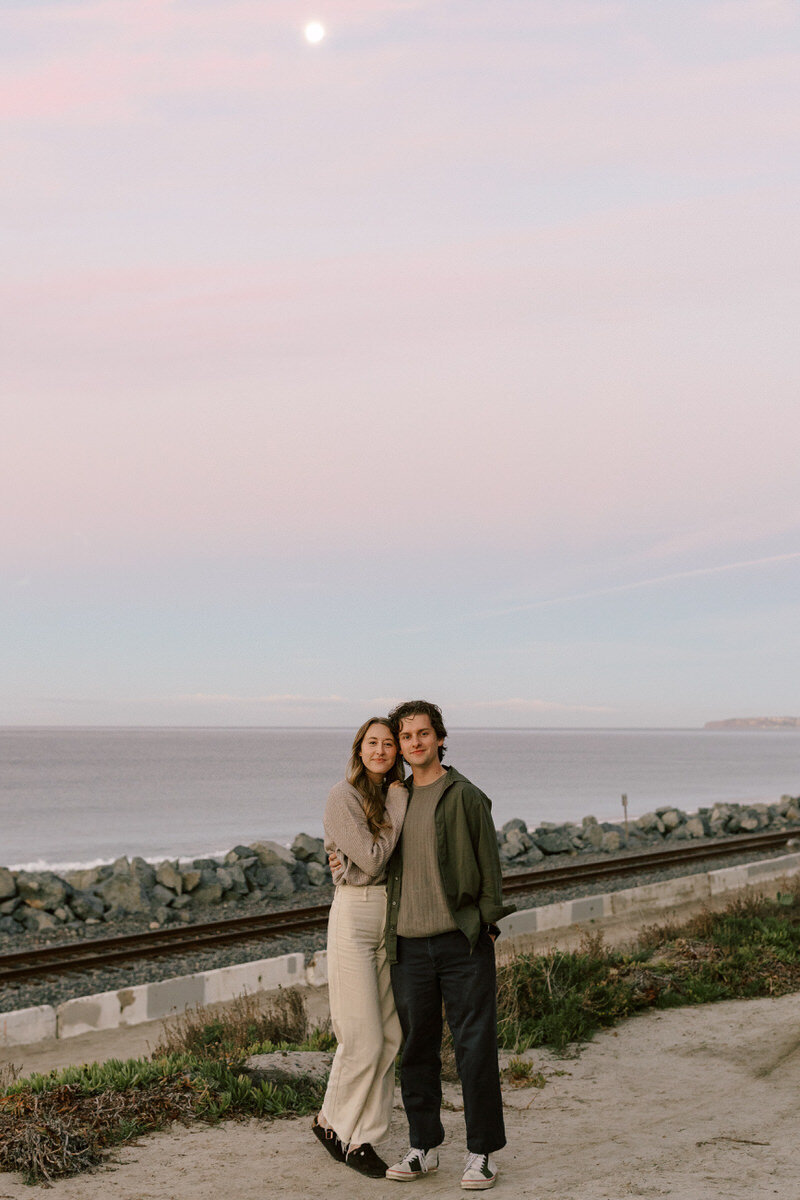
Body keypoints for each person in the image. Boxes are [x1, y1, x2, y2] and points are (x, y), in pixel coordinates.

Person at [382, 700, 514, 1191]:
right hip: (408, 948)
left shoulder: (466, 796)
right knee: (416, 1049)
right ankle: (423, 1148)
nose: (414, 742)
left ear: (439, 738)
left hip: (462, 944)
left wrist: (484, 926)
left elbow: (490, 873)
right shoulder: (394, 798)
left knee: (473, 1047)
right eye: (406, 735)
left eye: (423, 733)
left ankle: (481, 1153)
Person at [312, 717, 409, 1179]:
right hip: (354, 916)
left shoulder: (398, 796)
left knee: (390, 1036)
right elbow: (370, 861)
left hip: (392, 919)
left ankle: (364, 1138)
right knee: (362, 1036)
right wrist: (394, 808)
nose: (381, 750)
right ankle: (330, 1120)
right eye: (373, 742)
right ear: (359, 747)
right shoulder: (343, 796)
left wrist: (376, 847)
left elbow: (387, 859)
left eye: (389, 743)